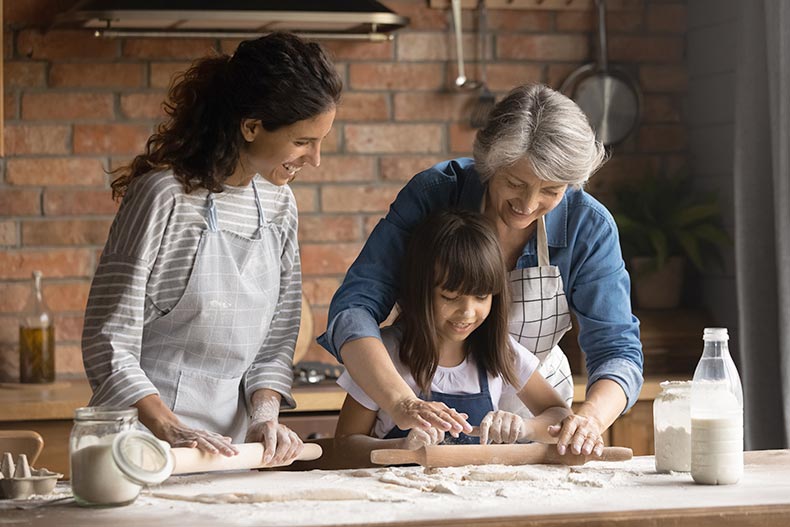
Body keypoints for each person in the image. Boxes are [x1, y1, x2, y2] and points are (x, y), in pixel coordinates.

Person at [319, 83, 643, 458]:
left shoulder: (589, 226)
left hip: (538, 419)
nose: (527, 204)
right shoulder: (435, 194)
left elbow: (617, 348)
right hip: (412, 401)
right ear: (490, 163)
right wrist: (401, 403)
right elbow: (354, 309)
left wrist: (587, 420)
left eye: (551, 191)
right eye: (514, 183)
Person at [81, 33, 342, 464]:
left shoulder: (278, 204)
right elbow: (108, 340)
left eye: (320, 142)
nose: (314, 159)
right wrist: (169, 428)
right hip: (144, 447)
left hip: (233, 452)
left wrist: (265, 416)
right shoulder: (164, 196)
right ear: (252, 126)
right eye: (302, 142)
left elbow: (277, 339)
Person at [334, 210, 575, 462]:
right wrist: (404, 447)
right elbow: (345, 445)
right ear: (420, 290)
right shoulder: (381, 354)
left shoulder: (500, 351)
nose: (468, 312)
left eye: (482, 297)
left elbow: (559, 414)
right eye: (450, 297)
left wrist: (525, 427)